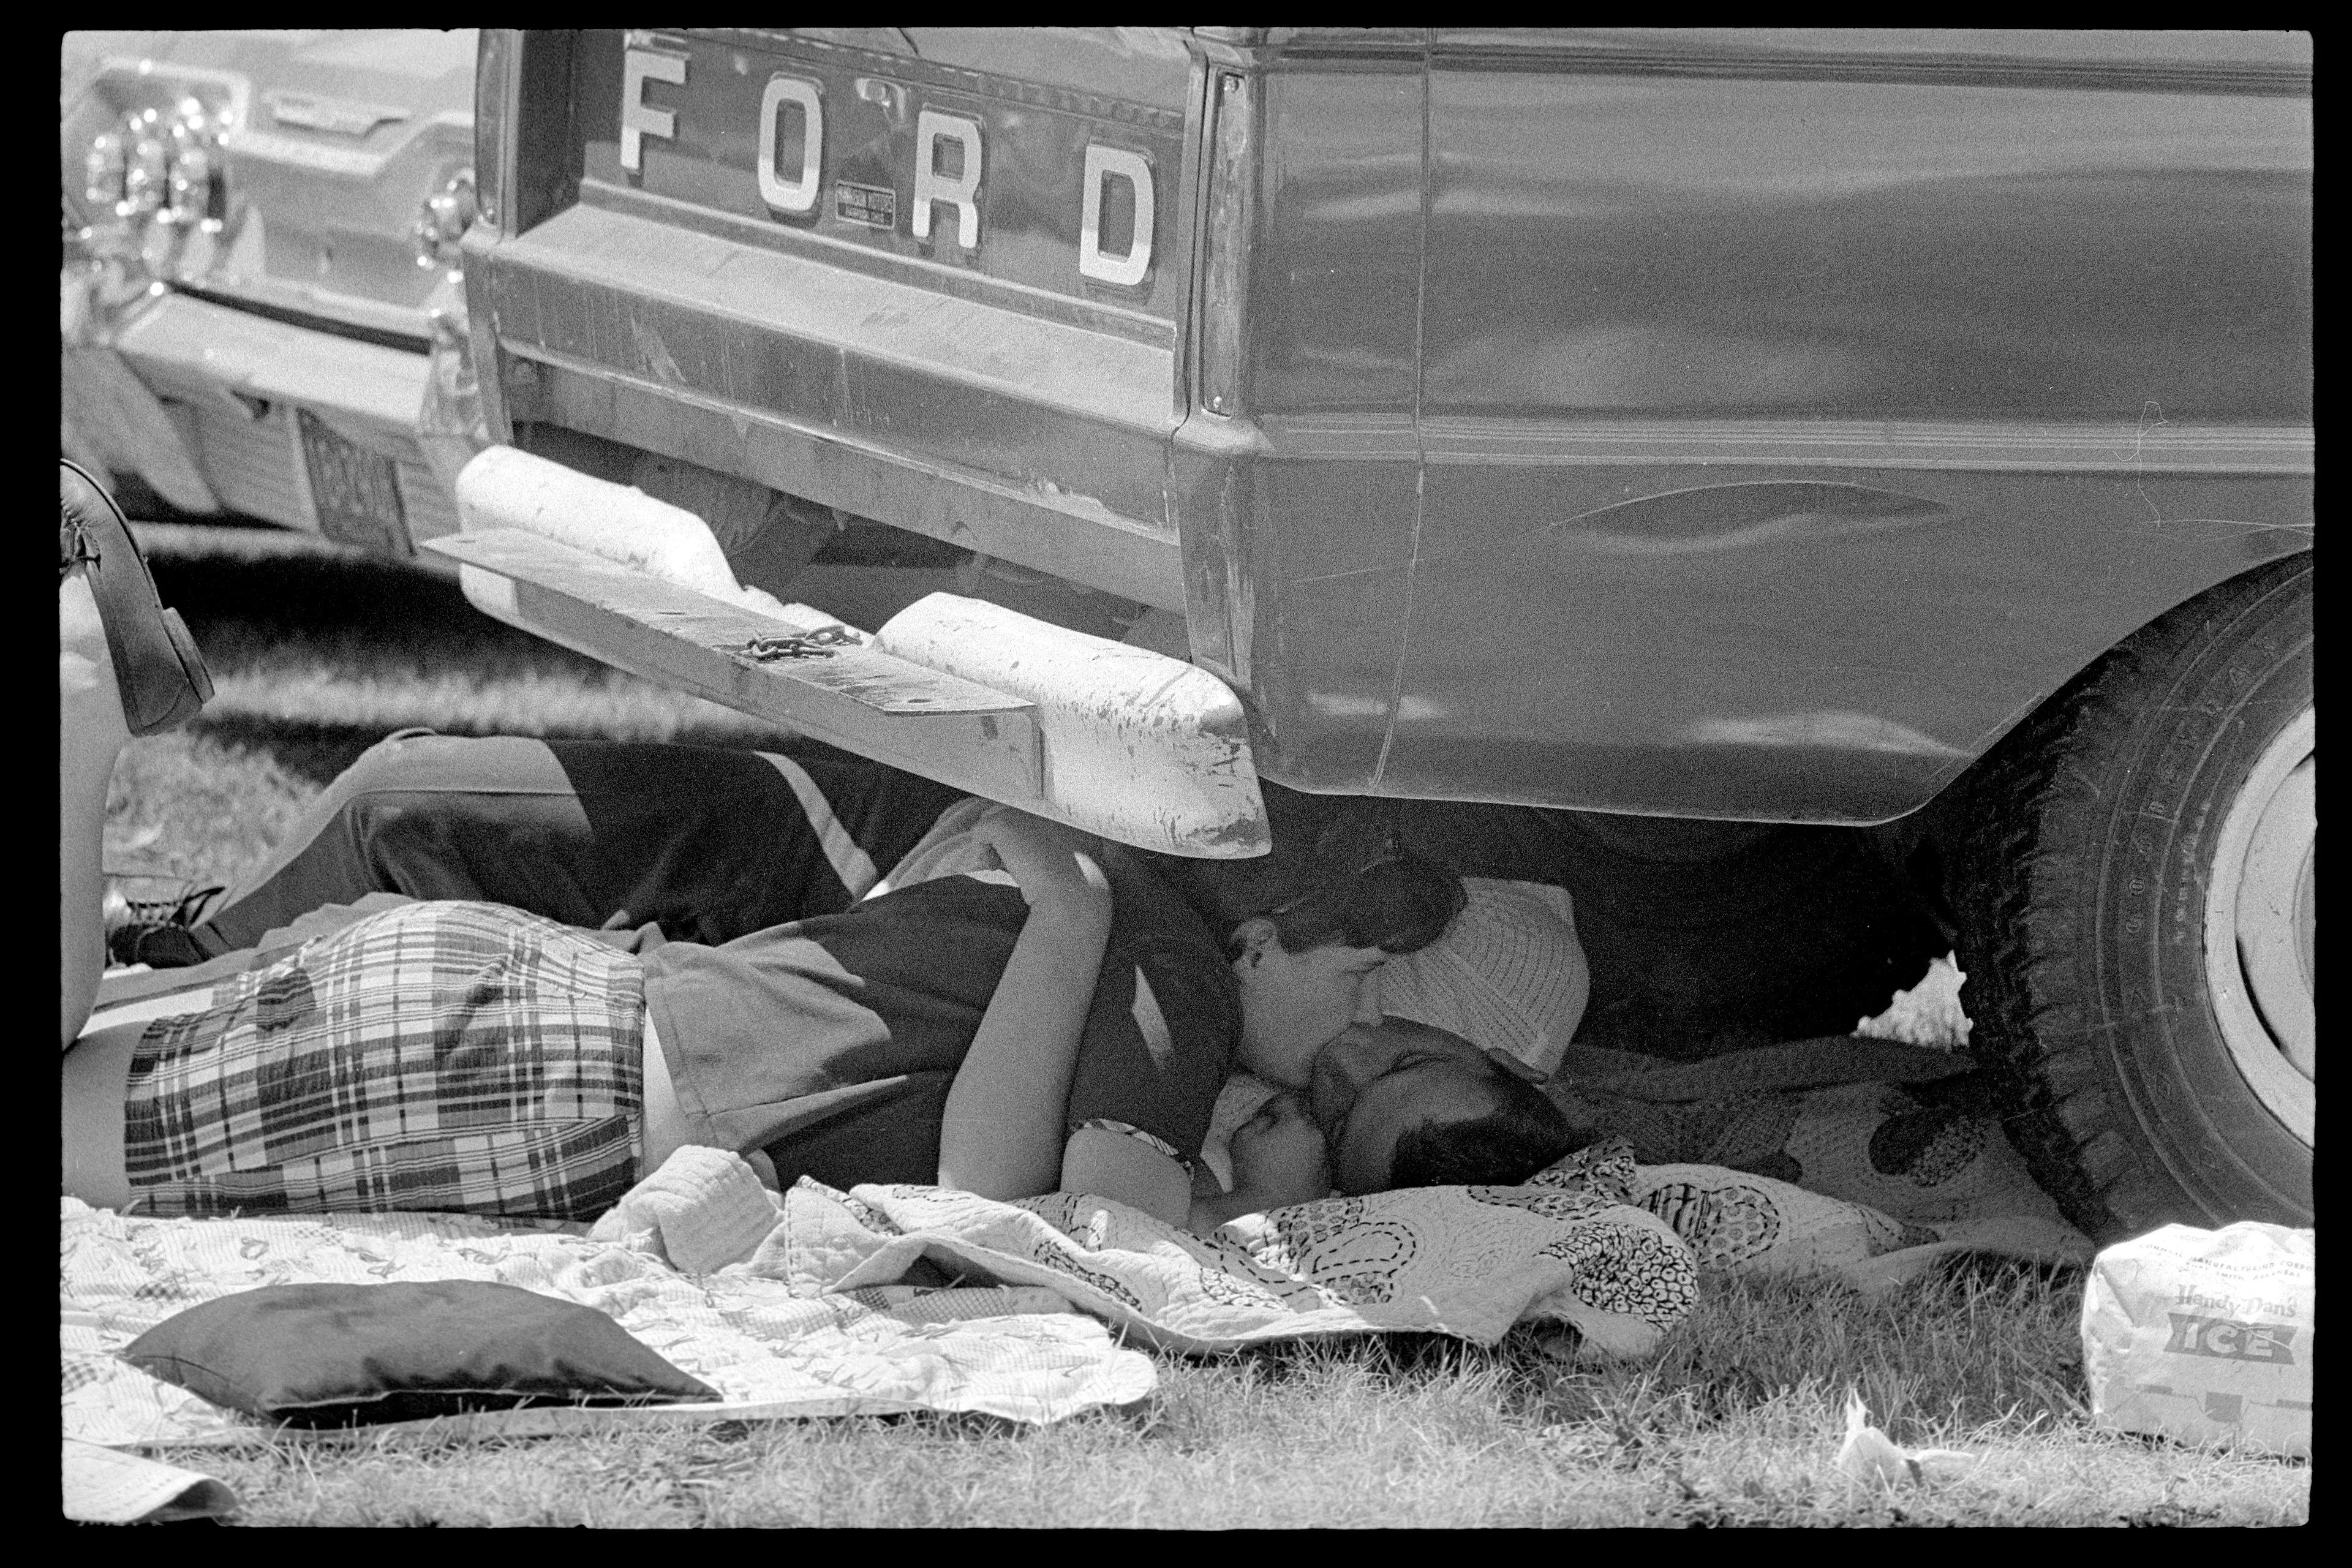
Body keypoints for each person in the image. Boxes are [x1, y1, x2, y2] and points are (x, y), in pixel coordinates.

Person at [62, 464, 1585, 1231]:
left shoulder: (1116, 936)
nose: (1344, 1039)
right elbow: (1078, 1220)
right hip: (550, 1057)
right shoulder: (1163, 989)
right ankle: (84, 716)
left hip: (542, 1005)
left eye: (1349, 1083)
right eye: (1377, 1030)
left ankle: (89, 729)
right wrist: (1249, 1190)